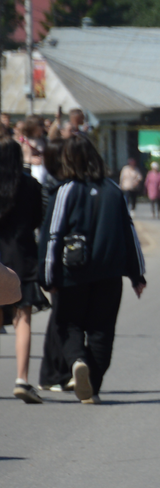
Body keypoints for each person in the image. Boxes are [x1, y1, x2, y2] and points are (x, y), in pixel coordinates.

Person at [39, 135, 147, 404]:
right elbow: (129, 234)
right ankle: (93, 388)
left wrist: (47, 276)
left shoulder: (65, 191)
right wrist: (137, 274)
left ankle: (77, 361)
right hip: (109, 275)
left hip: (71, 274)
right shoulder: (113, 190)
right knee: (102, 331)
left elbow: (52, 235)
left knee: (68, 324)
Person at [0, 138, 47, 403]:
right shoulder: (31, 184)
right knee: (23, 320)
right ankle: (22, 379)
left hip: (0, 257)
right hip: (24, 256)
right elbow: (39, 218)